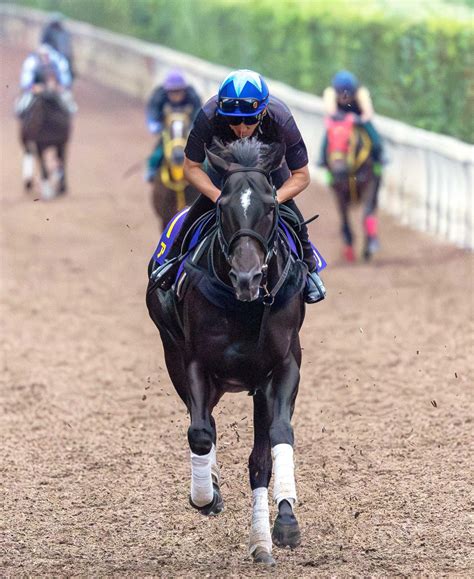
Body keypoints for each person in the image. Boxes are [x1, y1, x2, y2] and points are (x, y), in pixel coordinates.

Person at [152, 69, 326, 304]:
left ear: (263, 111)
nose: (241, 128)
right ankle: (172, 262)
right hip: (223, 173)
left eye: (249, 119)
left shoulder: (281, 117)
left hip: (270, 172)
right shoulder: (209, 114)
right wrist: (217, 197)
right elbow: (191, 167)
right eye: (233, 120)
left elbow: (302, 176)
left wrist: (273, 199)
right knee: (196, 212)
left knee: (293, 216)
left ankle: (310, 270)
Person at [319, 70, 384, 168]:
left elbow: (368, 113)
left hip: (358, 119)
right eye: (341, 93)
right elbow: (330, 111)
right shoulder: (330, 92)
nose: (344, 97)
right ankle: (323, 159)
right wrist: (341, 117)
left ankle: (378, 158)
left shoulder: (361, 93)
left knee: (374, 137)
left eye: (347, 94)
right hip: (340, 120)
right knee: (328, 138)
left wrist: (358, 120)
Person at [145, 69, 202, 182]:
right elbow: (153, 111)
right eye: (172, 92)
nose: (175, 95)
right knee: (157, 154)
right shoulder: (159, 97)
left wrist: (195, 126)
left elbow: (199, 112)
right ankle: (151, 170)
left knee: (202, 156)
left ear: (184, 90)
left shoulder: (193, 97)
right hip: (168, 133)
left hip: (188, 133)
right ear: (167, 91)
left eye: (179, 91)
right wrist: (154, 124)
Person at [15, 43, 77, 117]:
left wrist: (61, 86)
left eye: (46, 56)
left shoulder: (58, 61)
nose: (44, 58)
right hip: (36, 87)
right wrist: (32, 87)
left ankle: (70, 113)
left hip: (55, 88)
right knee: (25, 102)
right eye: (42, 56)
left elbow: (65, 77)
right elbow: (26, 79)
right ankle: (20, 111)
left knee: (68, 102)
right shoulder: (31, 63)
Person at [40, 12, 75, 81]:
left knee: (64, 66)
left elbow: (65, 46)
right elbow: (43, 44)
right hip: (49, 52)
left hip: (60, 55)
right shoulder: (48, 30)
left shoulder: (63, 32)